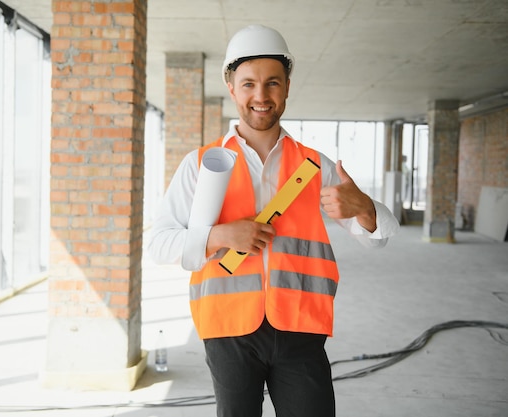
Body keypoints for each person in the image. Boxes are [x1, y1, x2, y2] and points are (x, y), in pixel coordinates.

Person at [147, 24, 400, 417]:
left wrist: (365, 208)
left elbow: (379, 238)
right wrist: (219, 235)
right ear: (231, 87)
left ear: (287, 86)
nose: (261, 96)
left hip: (301, 326)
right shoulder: (199, 165)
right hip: (228, 331)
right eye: (248, 84)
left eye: (272, 83)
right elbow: (158, 244)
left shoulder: (315, 165)